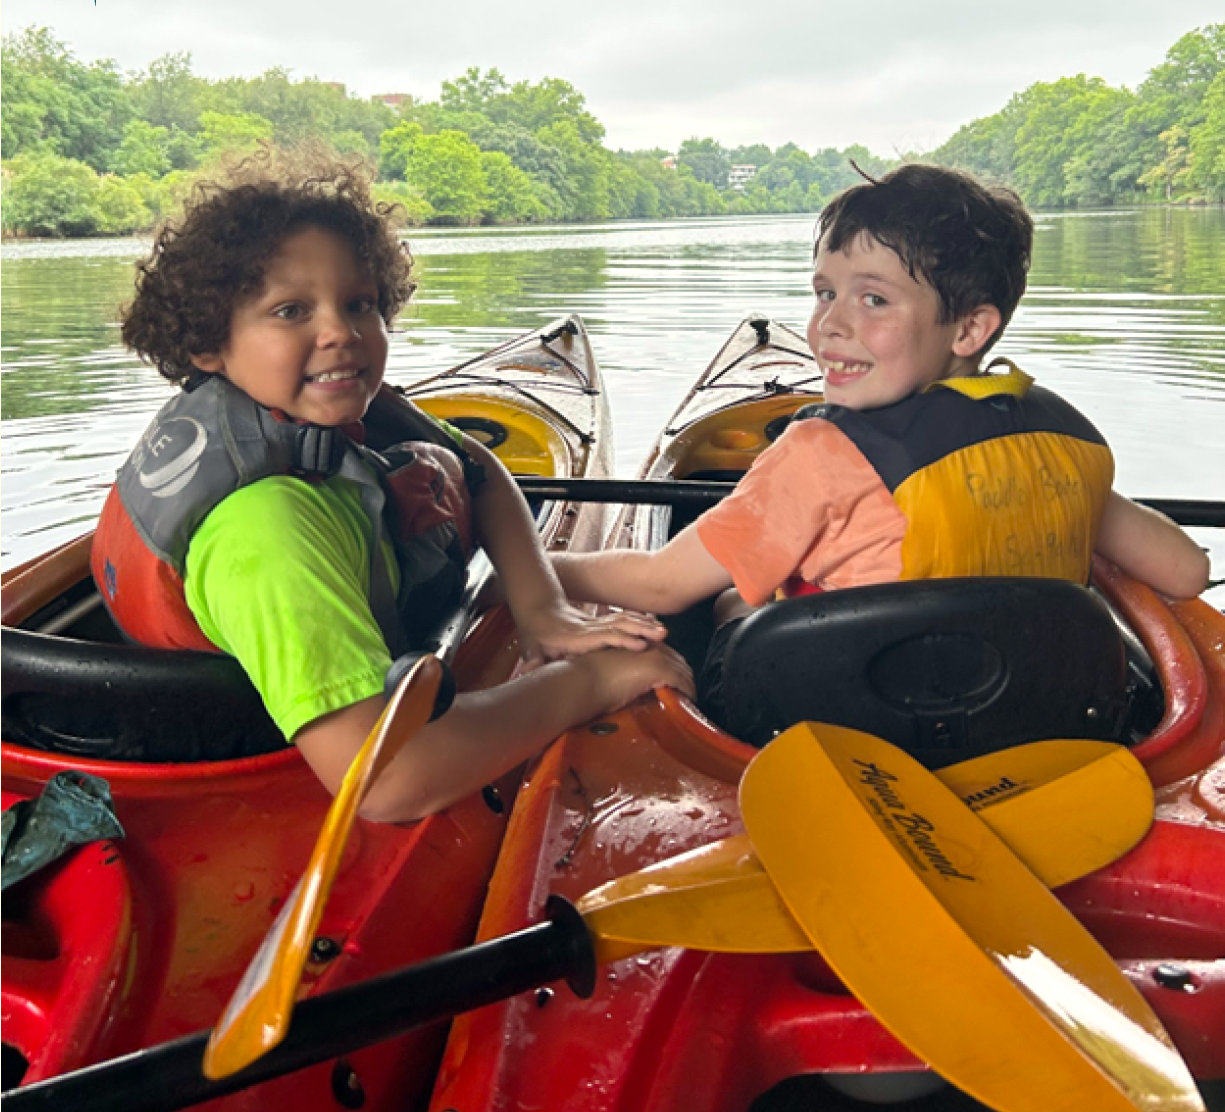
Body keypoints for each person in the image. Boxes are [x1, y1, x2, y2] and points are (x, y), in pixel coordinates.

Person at [91, 151, 692, 823]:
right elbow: (387, 782)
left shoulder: (312, 411)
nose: (341, 332)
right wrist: (591, 680)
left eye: (361, 304)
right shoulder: (265, 535)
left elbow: (476, 467)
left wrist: (541, 607)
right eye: (290, 310)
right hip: (263, 780)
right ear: (208, 343)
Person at [552, 164, 1209, 721]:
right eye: (824, 292)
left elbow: (662, 585)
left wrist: (526, 573)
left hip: (835, 716)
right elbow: (1187, 571)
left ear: (969, 329)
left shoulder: (818, 453)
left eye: (873, 300)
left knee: (731, 598)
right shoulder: (1065, 444)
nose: (827, 326)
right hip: (1023, 713)